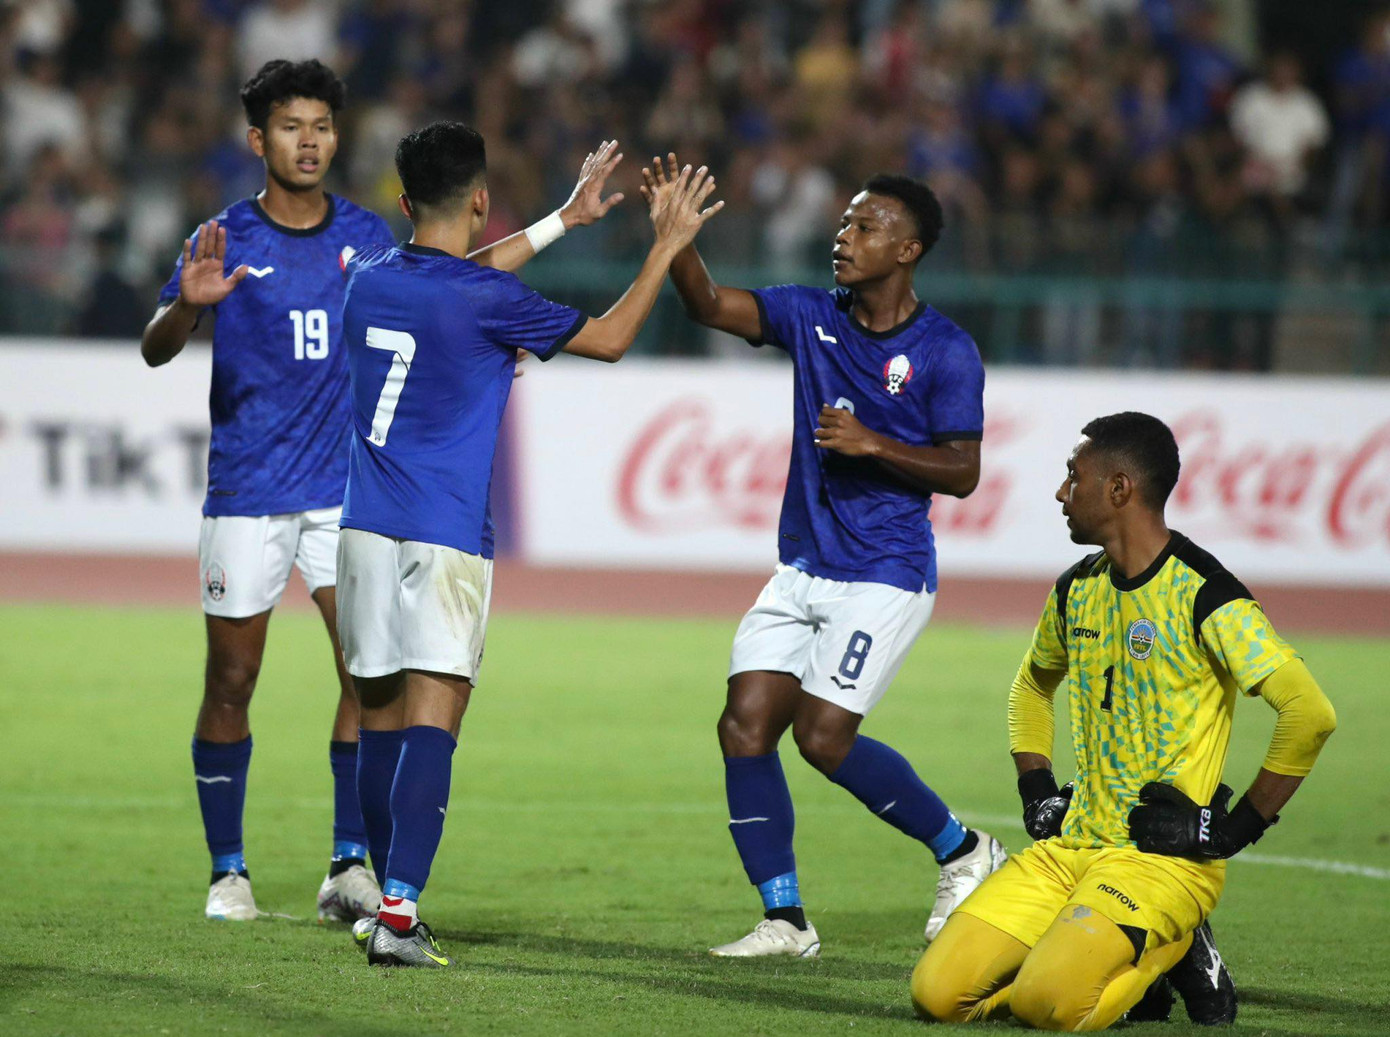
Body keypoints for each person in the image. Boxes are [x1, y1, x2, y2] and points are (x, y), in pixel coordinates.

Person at [140, 58, 625, 924]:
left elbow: (458, 272)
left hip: (346, 493)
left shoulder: (366, 237)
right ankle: (229, 870)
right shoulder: (222, 238)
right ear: (260, 140)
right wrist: (187, 307)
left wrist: (558, 222)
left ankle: (348, 863)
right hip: (248, 489)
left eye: (322, 126)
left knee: (364, 676)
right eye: (291, 126)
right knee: (231, 677)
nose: (310, 141)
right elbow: (154, 344)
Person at [337, 122, 722, 967]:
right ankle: (398, 917)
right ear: (480, 200)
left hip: (361, 528)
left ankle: (377, 898)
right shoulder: (485, 300)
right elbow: (613, 338)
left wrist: (562, 221)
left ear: (403, 203)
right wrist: (663, 247)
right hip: (444, 535)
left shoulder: (365, 275)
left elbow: (452, 278)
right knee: (437, 714)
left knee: (376, 718)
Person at [641, 155, 1005, 958]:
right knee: (744, 726)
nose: (844, 237)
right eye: (844, 222)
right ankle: (786, 919)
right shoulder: (811, 315)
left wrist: (874, 442)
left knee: (823, 737)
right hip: (802, 566)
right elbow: (706, 305)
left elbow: (965, 469)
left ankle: (965, 850)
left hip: (885, 570)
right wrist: (676, 241)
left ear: (907, 250)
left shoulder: (946, 351)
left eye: (865, 225)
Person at [911, 412, 1337, 1030]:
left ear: (1119, 489)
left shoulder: (1206, 594)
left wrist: (1231, 830)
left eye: (1072, 477)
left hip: (1159, 859)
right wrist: (1036, 791)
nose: (1061, 493)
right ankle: (1127, 973)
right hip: (1072, 846)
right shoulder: (1075, 589)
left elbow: (1309, 714)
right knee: (936, 995)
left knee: (1048, 1007)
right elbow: (1032, 684)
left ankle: (1173, 946)